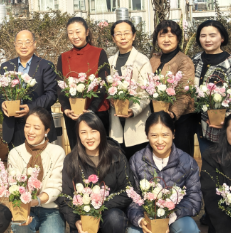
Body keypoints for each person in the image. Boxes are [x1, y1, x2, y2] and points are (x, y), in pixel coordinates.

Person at [126, 112, 202, 233]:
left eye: (165, 135)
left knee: (189, 229)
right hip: (145, 217)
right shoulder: (136, 160)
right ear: (147, 135)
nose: (160, 141)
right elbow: (131, 197)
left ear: (173, 134)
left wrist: (172, 216)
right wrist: (140, 220)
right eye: (154, 135)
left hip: (174, 218)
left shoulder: (187, 162)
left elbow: (194, 199)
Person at [57, 112, 131, 233]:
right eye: (83, 132)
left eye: (93, 131)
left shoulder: (116, 156)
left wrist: (99, 205)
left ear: (101, 132)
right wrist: (75, 221)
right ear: (78, 135)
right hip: (83, 217)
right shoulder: (71, 160)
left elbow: (128, 190)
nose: (89, 137)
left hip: (109, 213)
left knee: (116, 219)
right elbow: (65, 197)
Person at [7, 108, 66, 233]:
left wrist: (36, 201)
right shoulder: (15, 153)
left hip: (50, 209)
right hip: (25, 207)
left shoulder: (57, 152)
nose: (30, 131)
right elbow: (13, 185)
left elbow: (56, 187)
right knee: (20, 224)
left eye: (36, 127)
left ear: (47, 130)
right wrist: (23, 207)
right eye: (27, 126)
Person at [192, 20, 231, 155]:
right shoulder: (195, 60)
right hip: (197, 125)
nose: (207, 39)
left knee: (222, 162)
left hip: (220, 128)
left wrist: (226, 118)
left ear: (222, 38)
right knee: (206, 162)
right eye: (203, 36)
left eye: (212, 35)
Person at [0, 30, 58, 148]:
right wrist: (2, 103)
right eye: (19, 42)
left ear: (34, 44)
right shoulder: (6, 66)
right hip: (13, 126)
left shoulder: (45, 66)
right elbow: (0, 93)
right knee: (16, 158)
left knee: (40, 158)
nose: (23, 46)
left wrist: (31, 108)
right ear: (15, 44)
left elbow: (51, 94)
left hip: (38, 124)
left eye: (27, 42)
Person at [57, 17, 111, 149]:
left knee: (99, 151)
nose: (74, 36)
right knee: (77, 151)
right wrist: (66, 108)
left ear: (87, 32)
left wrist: (91, 110)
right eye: (70, 33)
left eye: (78, 32)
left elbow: (103, 83)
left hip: (97, 112)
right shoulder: (63, 57)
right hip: (73, 115)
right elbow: (59, 85)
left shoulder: (99, 53)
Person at [149, 20, 196, 156]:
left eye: (171, 36)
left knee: (180, 158)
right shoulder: (153, 60)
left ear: (178, 39)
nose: (166, 40)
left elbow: (184, 93)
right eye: (162, 35)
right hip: (158, 118)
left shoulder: (184, 61)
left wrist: (173, 114)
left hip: (180, 121)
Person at [107, 19, 153, 160]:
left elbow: (147, 91)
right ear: (113, 38)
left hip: (137, 126)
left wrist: (134, 110)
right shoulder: (110, 61)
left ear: (133, 36)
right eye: (118, 34)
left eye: (126, 33)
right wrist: (111, 100)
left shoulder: (142, 60)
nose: (123, 37)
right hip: (116, 125)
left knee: (139, 165)